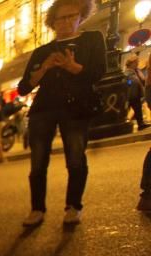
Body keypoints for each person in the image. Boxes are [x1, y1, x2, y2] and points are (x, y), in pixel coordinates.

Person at [17, 0, 105, 227]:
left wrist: (72, 67)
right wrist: (44, 67)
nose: (65, 22)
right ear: (52, 21)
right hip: (44, 109)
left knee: (75, 158)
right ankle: (37, 209)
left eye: (71, 16)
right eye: (60, 18)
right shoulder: (42, 51)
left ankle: (73, 206)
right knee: (37, 162)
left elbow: (98, 73)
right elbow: (23, 88)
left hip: (76, 107)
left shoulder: (92, 39)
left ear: (81, 16)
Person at [124, 56, 147, 130]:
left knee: (138, 109)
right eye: (136, 62)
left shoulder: (135, 71)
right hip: (131, 94)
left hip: (136, 94)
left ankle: (141, 124)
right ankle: (136, 123)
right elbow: (127, 82)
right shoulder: (127, 72)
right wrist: (130, 83)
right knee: (133, 109)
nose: (137, 64)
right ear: (131, 63)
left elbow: (143, 79)